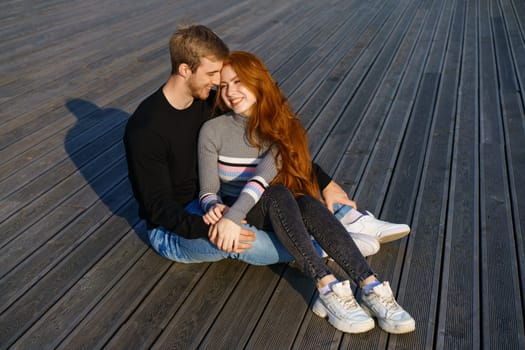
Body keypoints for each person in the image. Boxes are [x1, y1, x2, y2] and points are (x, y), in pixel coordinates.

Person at [123, 24, 409, 268]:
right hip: (175, 228)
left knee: (274, 189)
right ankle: (330, 247)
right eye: (212, 75)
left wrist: (327, 183)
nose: (217, 84)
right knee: (238, 240)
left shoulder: (208, 102)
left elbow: (270, 141)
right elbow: (158, 208)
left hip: (218, 200)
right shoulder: (145, 129)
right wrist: (218, 227)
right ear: (185, 69)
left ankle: (346, 218)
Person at [197, 51, 415, 334]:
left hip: (279, 208)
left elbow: (261, 179)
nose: (230, 92)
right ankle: (326, 286)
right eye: (223, 86)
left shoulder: (283, 126)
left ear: (258, 82)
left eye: (238, 82)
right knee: (279, 195)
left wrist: (231, 218)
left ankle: (371, 286)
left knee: (305, 203)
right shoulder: (212, 130)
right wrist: (216, 207)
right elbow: (207, 190)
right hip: (251, 213)